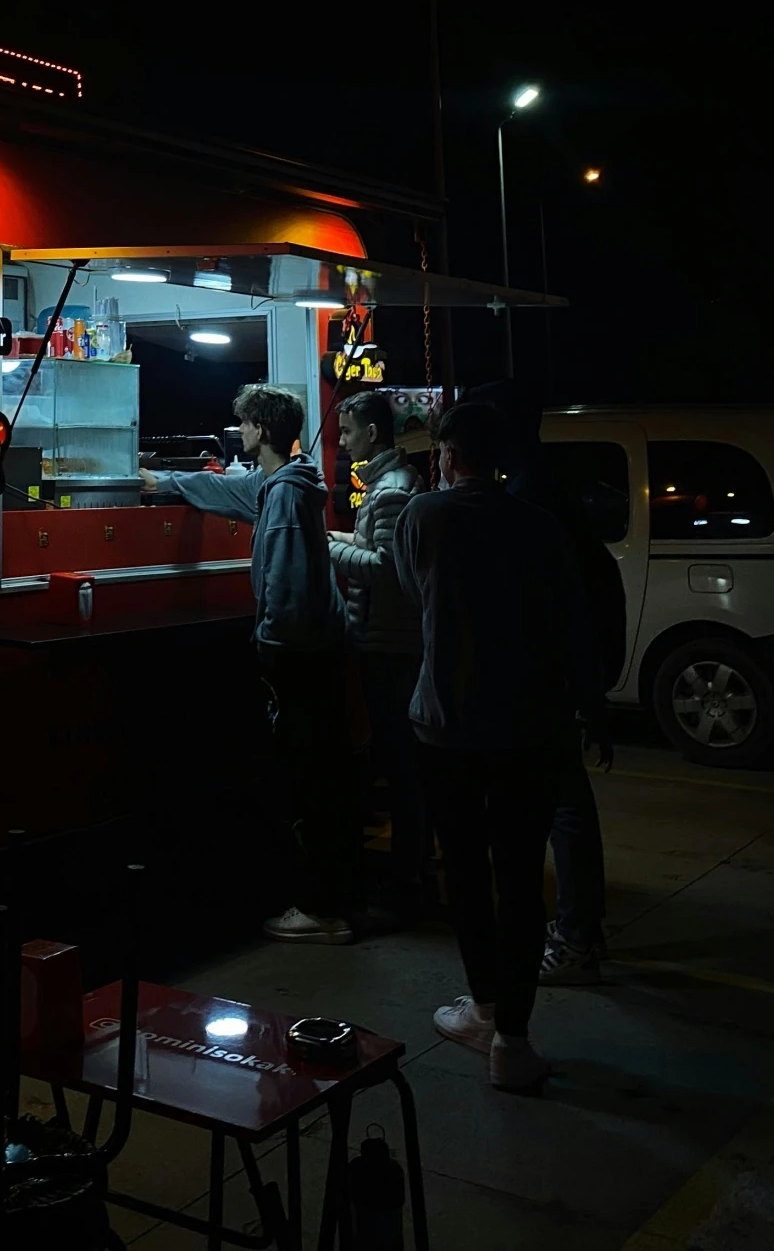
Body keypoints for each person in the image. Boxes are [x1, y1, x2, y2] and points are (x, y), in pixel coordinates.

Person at [394, 398, 609, 1091]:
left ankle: (482, 1008)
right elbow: (574, 625)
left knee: (464, 870)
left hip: (445, 726)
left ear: (449, 456)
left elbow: (411, 594)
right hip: (531, 728)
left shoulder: (421, 517)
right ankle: (512, 1042)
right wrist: (592, 708)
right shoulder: (539, 528)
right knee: (520, 878)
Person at [145, 384, 364, 942]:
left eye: (243, 426)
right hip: (318, 652)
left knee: (307, 778)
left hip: (300, 658)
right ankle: (332, 898)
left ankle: (321, 910)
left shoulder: (286, 497)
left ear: (261, 431)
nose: (238, 434)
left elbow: (286, 590)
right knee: (318, 776)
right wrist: (163, 481)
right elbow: (229, 490)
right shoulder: (284, 484)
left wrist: (267, 647)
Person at [465, 382, 626, 984]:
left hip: (545, 676)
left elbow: (550, 600)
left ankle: (576, 938)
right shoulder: (542, 481)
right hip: (563, 672)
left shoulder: (527, 496)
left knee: (560, 807)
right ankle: (581, 932)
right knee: (565, 804)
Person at [328, 390, 430, 905]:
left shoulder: (389, 490)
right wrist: (345, 539)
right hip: (391, 641)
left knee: (400, 764)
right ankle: (412, 864)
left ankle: (407, 871)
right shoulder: (391, 484)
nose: (342, 443)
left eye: (347, 432)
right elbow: (377, 548)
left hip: (389, 645)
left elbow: (388, 569)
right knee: (401, 762)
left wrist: (327, 546)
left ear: (371, 434)